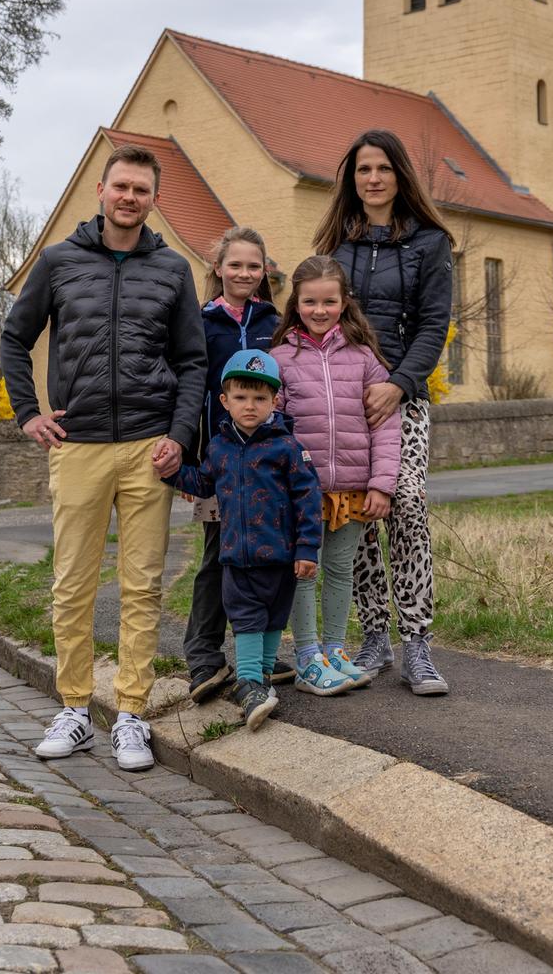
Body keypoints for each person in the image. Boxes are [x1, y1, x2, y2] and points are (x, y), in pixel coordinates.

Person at [0, 143, 208, 771]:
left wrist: (179, 434)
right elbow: (14, 338)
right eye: (121, 186)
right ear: (101, 189)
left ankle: (131, 714)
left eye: (141, 190)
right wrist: (28, 413)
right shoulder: (59, 261)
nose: (129, 198)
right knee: (73, 585)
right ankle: (74, 708)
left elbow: (193, 360)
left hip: (149, 447)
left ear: (153, 199)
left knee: (142, 585)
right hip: (79, 445)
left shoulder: (172, 270)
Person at [311, 129, 453, 695]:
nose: (373, 179)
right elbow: (317, 314)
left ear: (400, 176)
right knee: (357, 516)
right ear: (352, 179)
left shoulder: (430, 243)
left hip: (403, 398)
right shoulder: (334, 243)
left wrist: (398, 384)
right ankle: (374, 636)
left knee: (407, 504)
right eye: (363, 169)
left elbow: (433, 326)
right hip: (345, 399)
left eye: (383, 169)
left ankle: (417, 642)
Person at [169, 350, 322, 731]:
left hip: (281, 556)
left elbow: (308, 500)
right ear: (225, 400)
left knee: (273, 619)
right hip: (236, 556)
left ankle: (263, 679)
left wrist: (306, 549)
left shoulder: (287, 448)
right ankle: (249, 684)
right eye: (240, 397)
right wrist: (171, 472)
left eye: (259, 398)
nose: (250, 405)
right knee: (247, 619)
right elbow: (203, 482)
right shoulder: (219, 447)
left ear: (274, 401)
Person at [271, 256, 400, 696]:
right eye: (310, 302)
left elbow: (386, 426)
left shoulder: (364, 358)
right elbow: (271, 429)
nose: (320, 310)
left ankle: (334, 650)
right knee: (304, 570)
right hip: (300, 492)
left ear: (344, 302)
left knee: (341, 569)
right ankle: (308, 658)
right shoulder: (280, 359)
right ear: (296, 303)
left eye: (329, 301)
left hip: (352, 488)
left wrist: (381, 484)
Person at [181, 227, 293, 705]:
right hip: (220, 459)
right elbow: (189, 389)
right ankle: (204, 655)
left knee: (267, 555)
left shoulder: (274, 322)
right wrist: (189, 454)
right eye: (236, 265)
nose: (244, 273)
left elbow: (286, 387)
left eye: (253, 266)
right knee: (217, 556)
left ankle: (260, 655)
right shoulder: (201, 321)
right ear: (218, 268)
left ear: (264, 270)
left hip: (267, 461)